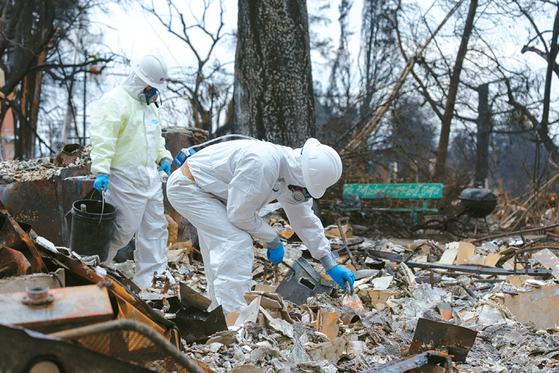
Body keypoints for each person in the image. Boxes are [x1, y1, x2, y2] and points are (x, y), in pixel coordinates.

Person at [166, 138, 355, 315]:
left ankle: (218, 313)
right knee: (236, 240)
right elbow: (239, 215)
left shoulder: (290, 176)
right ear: (303, 175)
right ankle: (235, 318)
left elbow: (305, 220)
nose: (304, 194)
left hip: (209, 192)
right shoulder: (263, 163)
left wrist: (329, 263)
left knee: (220, 248)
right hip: (189, 187)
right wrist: (272, 240)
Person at [89, 54, 173, 289]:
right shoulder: (115, 101)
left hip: (150, 178)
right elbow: (103, 139)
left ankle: (152, 283)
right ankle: (93, 272)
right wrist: (101, 170)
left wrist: (163, 157)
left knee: (155, 230)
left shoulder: (150, 107)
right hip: (124, 179)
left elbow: (156, 138)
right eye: (151, 86)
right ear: (140, 81)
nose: (154, 92)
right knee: (120, 232)